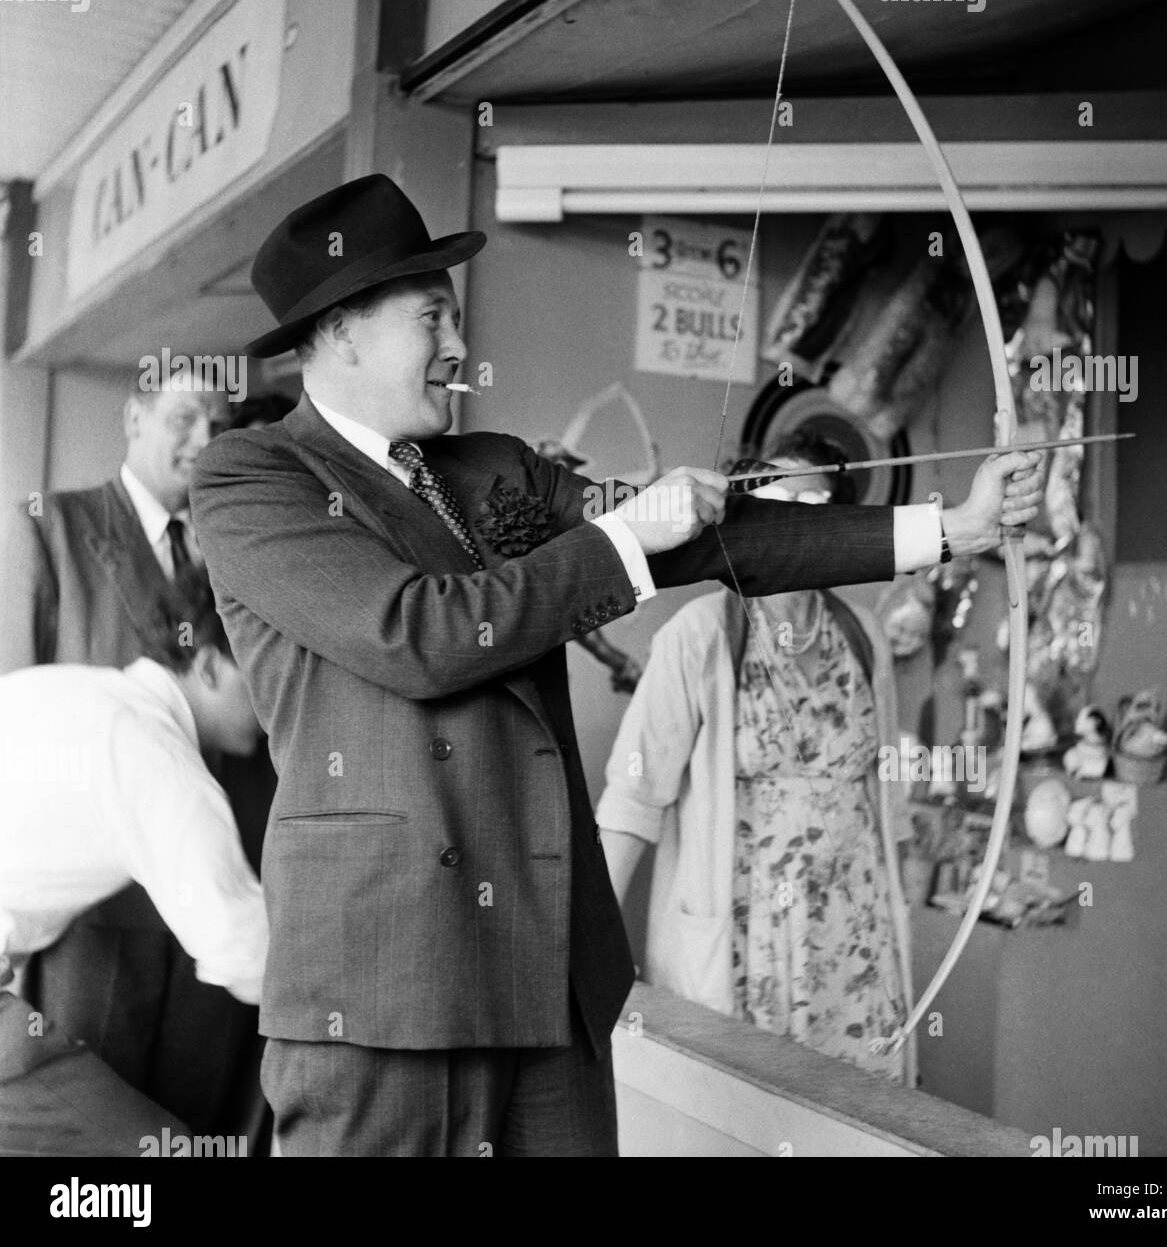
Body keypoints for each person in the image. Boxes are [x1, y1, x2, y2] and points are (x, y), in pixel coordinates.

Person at [189, 172, 1044, 1157]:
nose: (459, 348)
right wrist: (624, 536)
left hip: (551, 974)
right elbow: (415, 634)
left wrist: (952, 524)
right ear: (342, 329)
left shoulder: (490, 467)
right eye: (433, 317)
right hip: (384, 993)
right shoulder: (251, 478)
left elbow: (720, 544)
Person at [0, 379, 270, 1141]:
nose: (278, 703)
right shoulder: (50, 525)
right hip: (91, 953)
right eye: (184, 416)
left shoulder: (90, 696)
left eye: (218, 424)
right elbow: (244, 949)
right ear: (210, 665)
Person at [598, 435, 916, 1082]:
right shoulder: (700, 634)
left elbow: (891, 802)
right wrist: (586, 953)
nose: (797, 528)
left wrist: (904, 930)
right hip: (748, 944)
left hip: (856, 940)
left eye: (817, 511)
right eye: (781, 507)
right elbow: (633, 800)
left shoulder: (863, 636)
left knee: (861, 1126)